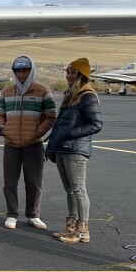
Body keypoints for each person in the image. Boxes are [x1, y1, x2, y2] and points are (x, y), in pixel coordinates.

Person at [45, 57, 103, 243]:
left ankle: (82, 230)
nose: (69, 76)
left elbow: (96, 124)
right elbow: (60, 124)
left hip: (75, 150)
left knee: (78, 190)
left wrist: (71, 133)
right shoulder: (72, 95)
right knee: (69, 190)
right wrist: (52, 144)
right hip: (63, 148)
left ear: (82, 75)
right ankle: (71, 227)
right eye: (68, 72)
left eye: (73, 72)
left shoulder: (88, 96)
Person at [0, 56, 57, 230]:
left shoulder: (43, 91)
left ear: (31, 71)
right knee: (10, 182)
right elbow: (0, 112)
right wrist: (2, 129)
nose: (21, 73)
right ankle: (12, 214)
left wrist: (38, 133)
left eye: (25, 70)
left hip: (33, 145)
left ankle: (33, 215)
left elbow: (50, 115)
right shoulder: (6, 91)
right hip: (11, 144)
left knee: (34, 182)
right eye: (18, 71)